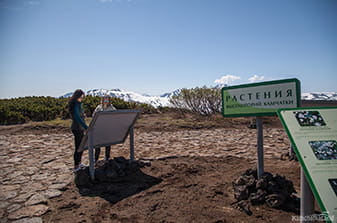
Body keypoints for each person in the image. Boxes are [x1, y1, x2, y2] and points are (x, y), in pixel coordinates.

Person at [68, 89, 88, 172]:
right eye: (82, 96)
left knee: (81, 146)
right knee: (78, 147)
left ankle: (79, 163)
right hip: (77, 128)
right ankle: (76, 166)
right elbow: (77, 117)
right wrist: (86, 127)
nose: (82, 98)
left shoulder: (77, 104)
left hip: (79, 128)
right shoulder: (76, 104)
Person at [93, 95, 116, 162]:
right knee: (97, 144)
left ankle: (107, 157)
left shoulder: (112, 108)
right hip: (99, 128)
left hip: (107, 128)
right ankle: (96, 158)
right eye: (104, 99)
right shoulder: (99, 107)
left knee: (107, 143)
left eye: (107, 99)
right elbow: (94, 115)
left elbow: (115, 117)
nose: (106, 101)